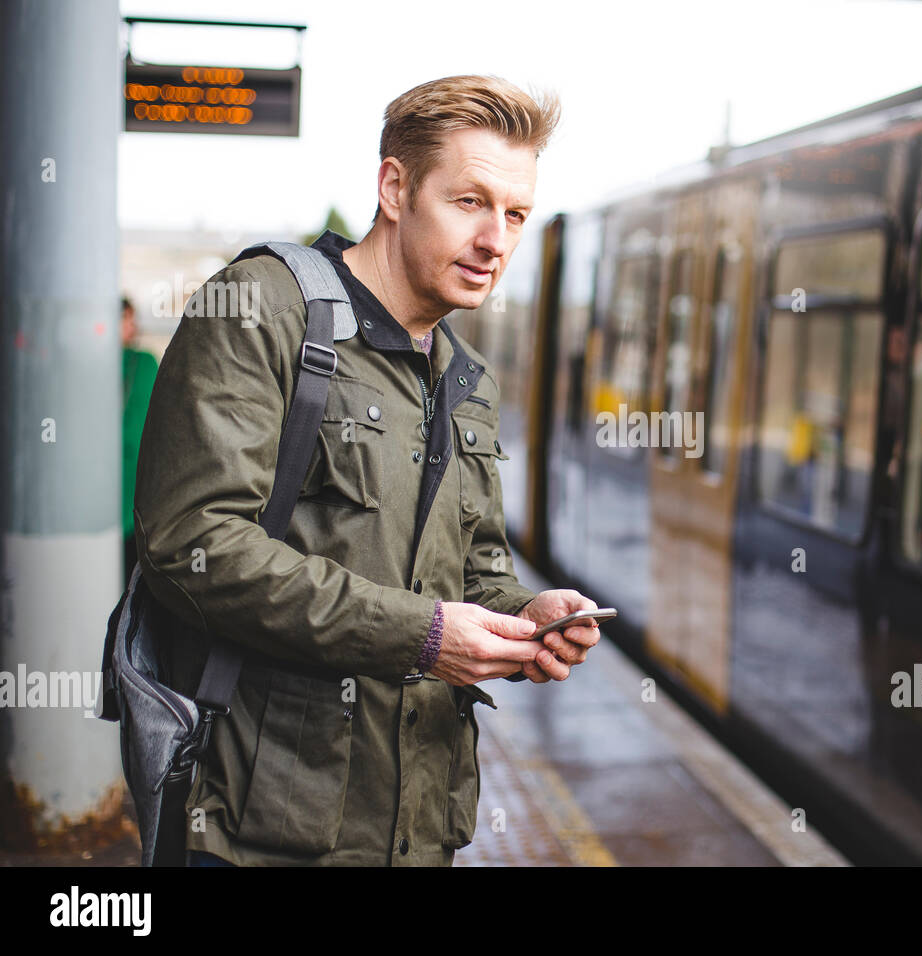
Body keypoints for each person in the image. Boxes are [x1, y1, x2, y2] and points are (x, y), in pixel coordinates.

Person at [133, 75, 603, 866]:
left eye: (515, 214)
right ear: (394, 187)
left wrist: (526, 617)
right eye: (469, 202)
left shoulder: (466, 379)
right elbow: (190, 543)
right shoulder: (261, 311)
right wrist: (420, 638)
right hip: (261, 831)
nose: (496, 240)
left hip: (419, 831)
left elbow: (472, 572)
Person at [120, 295, 157, 591]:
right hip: (136, 496)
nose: (132, 327)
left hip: (128, 490)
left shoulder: (141, 363)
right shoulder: (141, 363)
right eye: (126, 320)